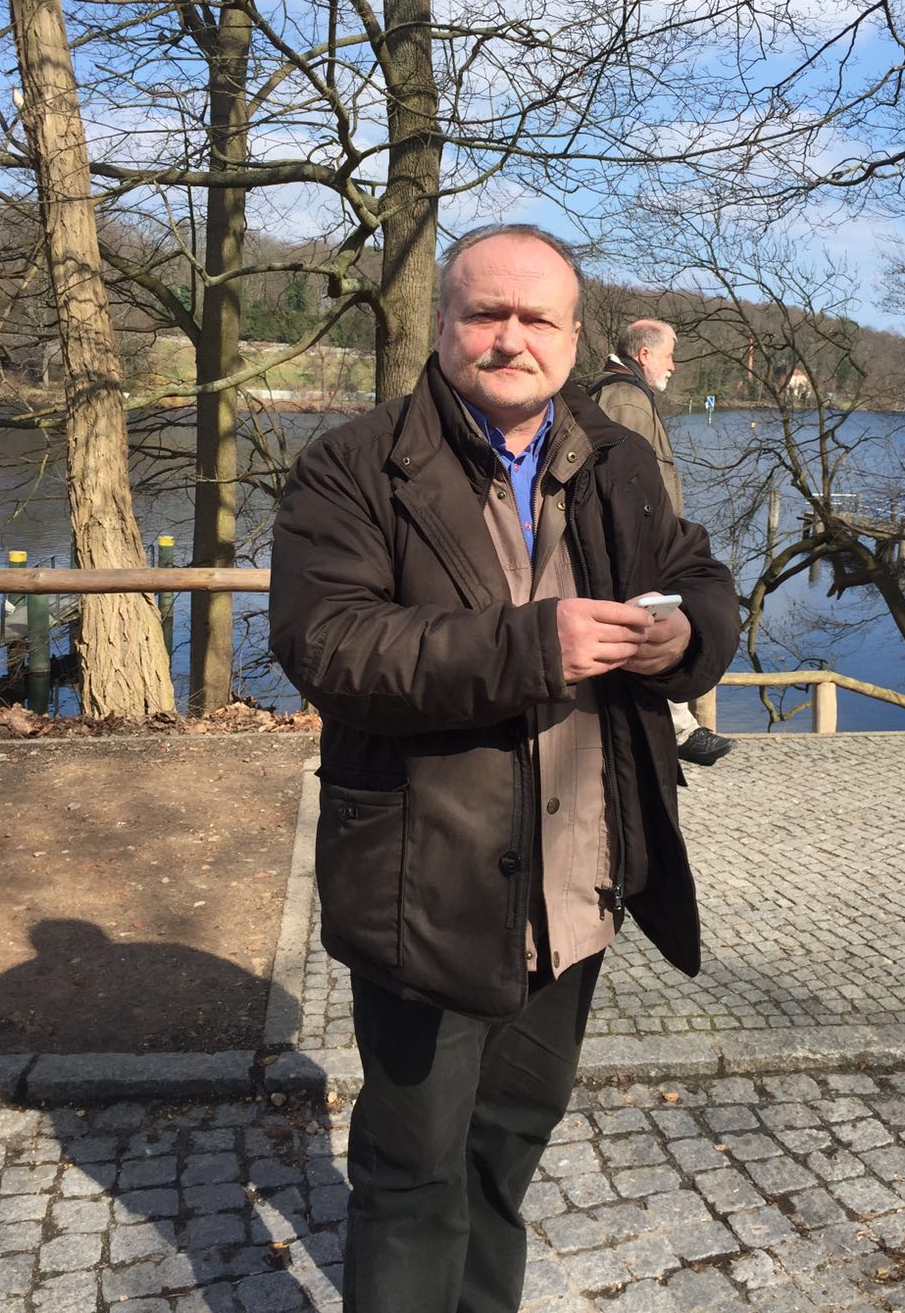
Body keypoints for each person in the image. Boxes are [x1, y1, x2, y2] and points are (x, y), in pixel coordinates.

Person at [269, 223, 740, 1313]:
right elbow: (328, 644)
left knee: (507, 1149)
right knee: (412, 1173)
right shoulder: (354, 464)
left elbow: (697, 572)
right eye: (487, 313)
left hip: (578, 885)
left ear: (574, 339)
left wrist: (685, 636)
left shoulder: (614, 458)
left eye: (538, 318)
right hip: (425, 888)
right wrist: (533, 647)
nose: (511, 337)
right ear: (444, 325)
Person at [590, 319, 736, 768]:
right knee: (648, 628)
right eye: (669, 355)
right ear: (644, 354)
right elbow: (623, 481)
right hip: (639, 541)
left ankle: (673, 729)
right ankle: (674, 731)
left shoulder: (624, 394)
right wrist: (650, 539)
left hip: (646, 538)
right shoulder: (626, 400)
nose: (673, 365)